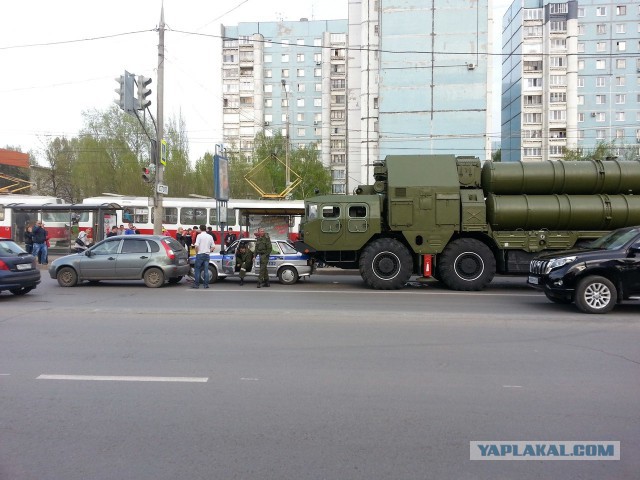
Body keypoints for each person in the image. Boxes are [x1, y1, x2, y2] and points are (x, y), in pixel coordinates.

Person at [191, 224, 215, 289]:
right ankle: (206, 285)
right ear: (205, 229)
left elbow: (196, 246)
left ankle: (196, 284)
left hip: (200, 254)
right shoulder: (210, 236)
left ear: (200, 229)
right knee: (206, 270)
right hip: (207, 255)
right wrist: (208, 251)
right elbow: (213, 246)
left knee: (197, 269)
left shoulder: (199, 236)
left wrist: (197, 252)